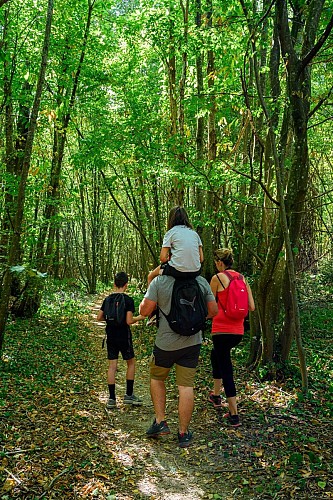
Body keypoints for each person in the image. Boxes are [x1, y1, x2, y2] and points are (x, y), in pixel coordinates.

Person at [139, 273, 218, 448]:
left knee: (157, 378)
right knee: (186, 386)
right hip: (192, 343)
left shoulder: (160, 281)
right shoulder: (200, 281)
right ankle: (183, 433)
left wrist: (152, 276)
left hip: (165, 344)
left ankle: (160, 422)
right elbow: (213, 311)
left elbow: (144, 311)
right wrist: (193, 319)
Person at [208, 248, 255, 427]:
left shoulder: (217, 278)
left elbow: (211, 307)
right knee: (216, 356)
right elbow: (251, 307)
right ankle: (216, 395)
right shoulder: (242, 279)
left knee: (226, 367)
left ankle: (234, 414)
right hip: (238, 332)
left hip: (221, 331)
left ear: (220, 262)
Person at [97, 271, 145, 409]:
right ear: (126, 285)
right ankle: (128, 395)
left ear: (114, 284)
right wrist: (140, 318)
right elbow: (129, 321)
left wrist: (109, 318)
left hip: (111, 335)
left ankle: (111, 399)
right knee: (131, 363)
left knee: (112, 367)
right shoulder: (128, 300)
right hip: (124, 335)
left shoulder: (107, 299)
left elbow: (99, 317)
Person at [147, 206, 204, 285]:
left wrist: (171, 259)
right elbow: (201, 259)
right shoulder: (195, 234)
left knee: (151, 276)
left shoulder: (171, 233)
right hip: (196, 271)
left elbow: (162, 258)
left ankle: (150, 296)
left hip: (177, 271)